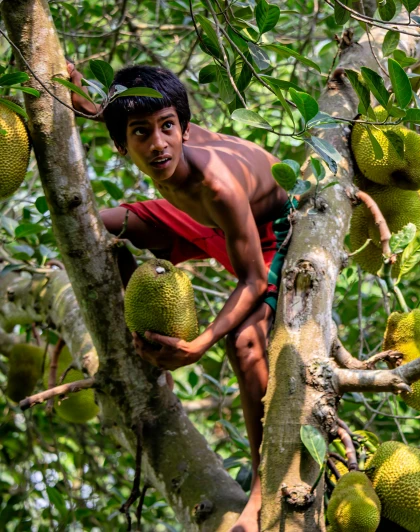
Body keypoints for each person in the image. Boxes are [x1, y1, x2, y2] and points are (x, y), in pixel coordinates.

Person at [67, 63, 291, 532]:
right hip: (200, 222)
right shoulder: (144, 137)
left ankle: (261, 488)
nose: (158, 143)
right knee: (97, 227)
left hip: (266, 234)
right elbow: (108, 110)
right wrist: (79, 94)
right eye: (141, 133)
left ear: (185, 128)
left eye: (168, 127)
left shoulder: (218, 184)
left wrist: (201, 341)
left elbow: (252, 279)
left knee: (246, 346)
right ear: (121, 143)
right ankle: (147, 340)